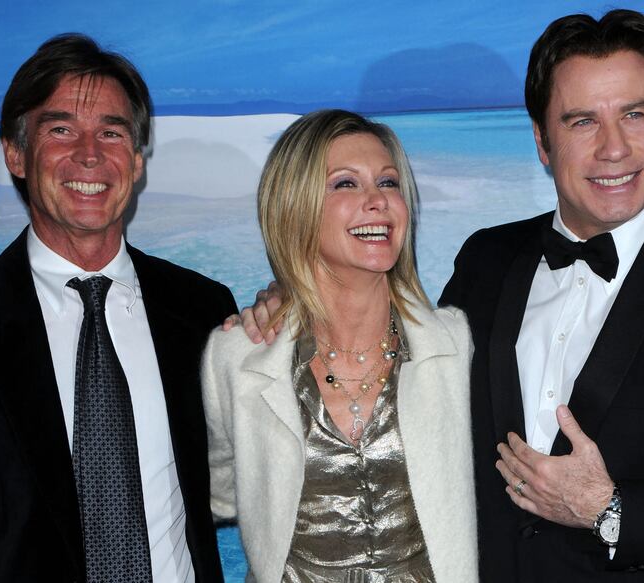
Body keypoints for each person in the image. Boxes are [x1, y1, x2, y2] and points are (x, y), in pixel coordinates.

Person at [242, 9, 644, 582]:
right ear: (542, 142)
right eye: (582, 121)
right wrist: (298, 305)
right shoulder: (486, 259)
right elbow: (397, 374)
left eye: (635, 114)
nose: (614, 148)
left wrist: (612, 511)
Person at [0, 34, 235, 582]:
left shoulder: (204, 310)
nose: (90, 154)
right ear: (15, 153)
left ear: (138, 160)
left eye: (111, 132)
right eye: (60, 130)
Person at [202, 109, 478, 582]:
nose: (377, 201)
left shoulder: (456, 345)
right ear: (294, 206)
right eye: (346, 183)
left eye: (388, 182)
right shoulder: (236, 356)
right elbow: (217, 494)